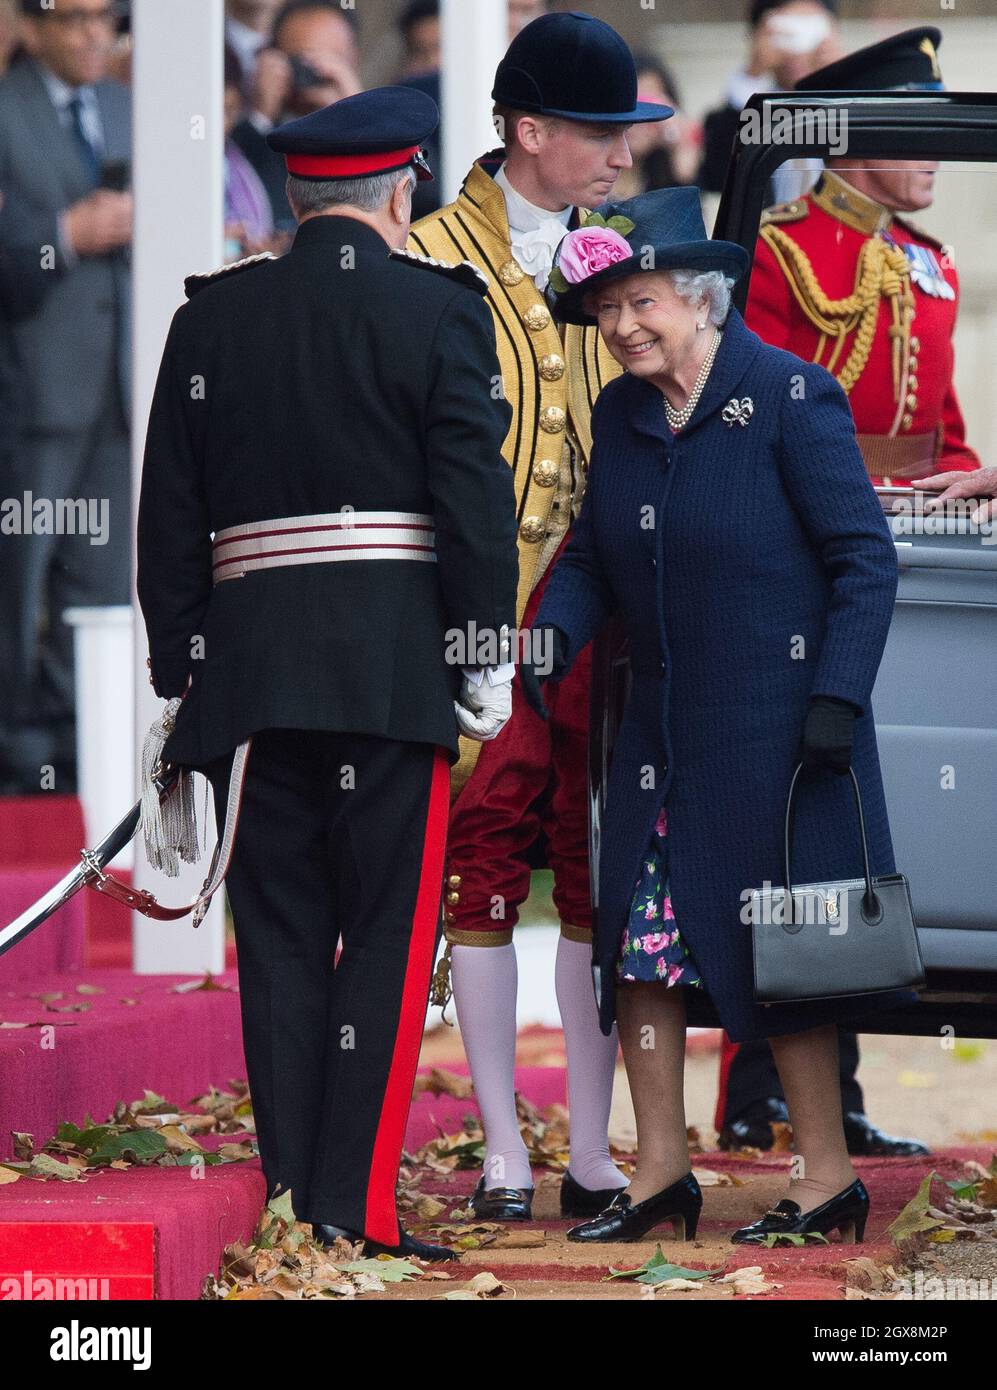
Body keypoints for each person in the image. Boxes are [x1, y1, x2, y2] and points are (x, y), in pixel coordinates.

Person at [136, 88, 520, 1262]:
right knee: (389, 941)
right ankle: (357, 1201)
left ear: (298, 201)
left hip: (251, 684)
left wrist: (178, 672)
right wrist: (483, 650)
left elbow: (169, 519)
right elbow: (472, 504)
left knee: (285, 941)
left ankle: (300, 1190)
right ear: (402, 193)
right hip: (393, 674)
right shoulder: (438, 309)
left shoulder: (211, 319)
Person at [528, 185, 915, 1244]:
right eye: (605, 312)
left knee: (783, 957)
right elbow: (595, 554)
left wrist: (835, 696)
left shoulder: (790, 395)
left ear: (701, 300)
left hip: (780, 738)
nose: (620, 328)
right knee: (644, 956)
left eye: (639, 302)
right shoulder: (622, 413)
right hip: (660, 740)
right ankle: (659, 1176)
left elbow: (861, 560)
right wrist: (551, 631)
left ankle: (824, 1176)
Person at [409, 11, 672, 1224]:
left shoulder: (620, 254)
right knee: (480, 860)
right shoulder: (424, 254)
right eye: (603, 133)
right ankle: (504, 1141)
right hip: (471, 614)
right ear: (530, 131)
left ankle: (594, 1147)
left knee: (594, 865)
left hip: (606, 610)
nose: (622, 156)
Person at [722, 26, 980, 1159]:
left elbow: (947, 429)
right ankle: (758, 1076)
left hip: (911, 551)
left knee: (877, 814)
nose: (931, 160)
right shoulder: (779, 254)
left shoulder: (930, 261)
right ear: (854, 139)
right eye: (911, 134)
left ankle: (839, 1068)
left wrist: (966, 477)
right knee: (788, 804)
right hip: (802, 553)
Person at [0, 0, 131, 794]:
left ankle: (80, 752)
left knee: (104, 582)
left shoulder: (127, 104)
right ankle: (15, 754)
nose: (92, 35)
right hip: (31, 388)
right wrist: (63, 236)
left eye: (103, 18)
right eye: (73, 18)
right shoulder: (5, 110)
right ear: (27, 23)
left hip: (121, 384)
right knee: (19, 580)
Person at [231, 0, 361, 234]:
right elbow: (234, 181)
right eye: (300, 62)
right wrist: (260, 115)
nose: (312, 74)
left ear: (352, 61)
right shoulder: (252, 138)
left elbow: (422, 190)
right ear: (271, 55)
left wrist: (357, 111)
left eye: (329, 61)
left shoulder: (372, 131)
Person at [698, 0, 841, 196]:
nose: (797, 51)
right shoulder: (732, 115)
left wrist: (845, 78)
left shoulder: (848, 112)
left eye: (811, 31)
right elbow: (718, 179)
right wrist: (752, 74)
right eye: (785, 33)